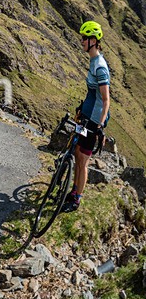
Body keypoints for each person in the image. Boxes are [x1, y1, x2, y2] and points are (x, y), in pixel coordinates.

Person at [62, 21, 111, 212]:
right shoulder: (92, 61)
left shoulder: (100, 66)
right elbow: (93, 93)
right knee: (77, 153)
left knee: (83, 161)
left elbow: (106, 100)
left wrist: (99, 126)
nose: (81, 41)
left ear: (93, 40)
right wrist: (82, 108)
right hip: (87, 115)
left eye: (84, 38)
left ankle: (76, 199)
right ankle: (73, 190)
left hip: (94, 120)